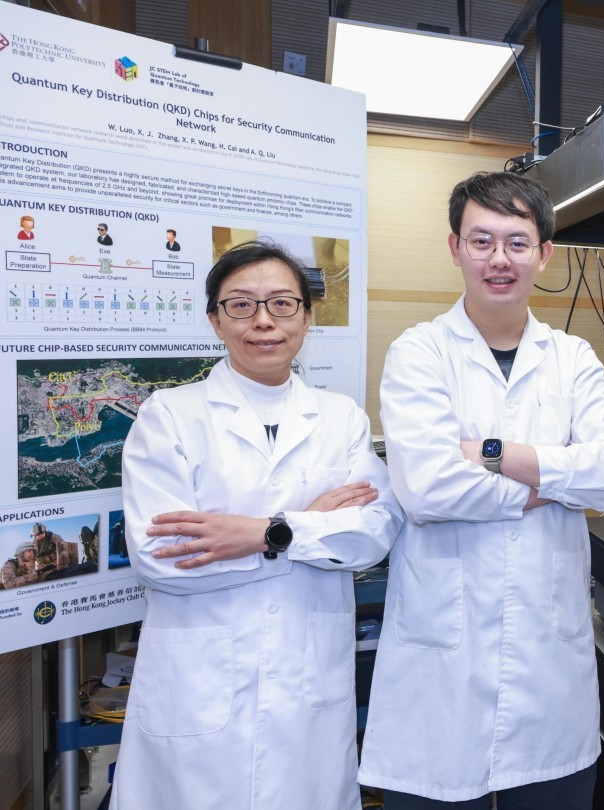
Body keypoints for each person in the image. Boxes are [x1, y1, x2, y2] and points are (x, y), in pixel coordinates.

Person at [359, 171, 604, 808]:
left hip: (548, 677)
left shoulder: (572, 358)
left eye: (517, 242)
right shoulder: (419, 352)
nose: (499, 259)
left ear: (544, 254)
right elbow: (428, 488)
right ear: (455, 248)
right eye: (481, 241)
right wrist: (551, 484)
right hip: (441, 680)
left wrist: (494, 454)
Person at [112, 241, 403, 810]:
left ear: (307, 318)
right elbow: (161, 558)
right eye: (242, 305)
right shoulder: (169, 416)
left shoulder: (341, 417)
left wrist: (264, 534)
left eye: (282, 304)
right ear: (215, 320)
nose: (264, 321)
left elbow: (373, 534)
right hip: (198, 689)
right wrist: (309, 530)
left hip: (306, 694)